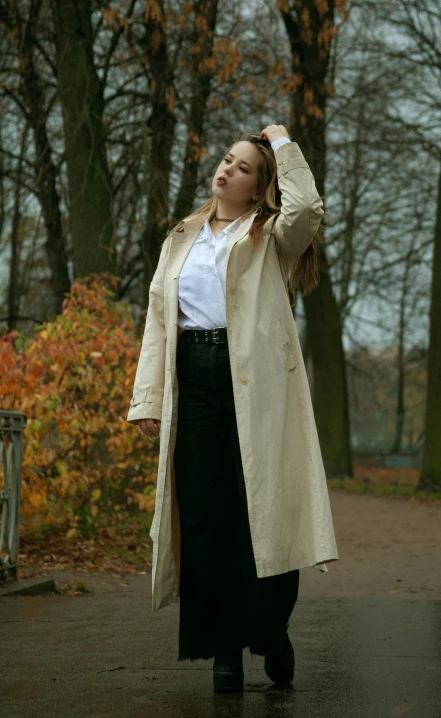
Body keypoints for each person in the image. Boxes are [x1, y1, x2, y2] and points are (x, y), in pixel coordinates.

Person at [126, 124, 339, 693]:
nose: (226, 170)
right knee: (202, 519)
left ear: (260, 186)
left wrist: (284, 143)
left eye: (243, 167)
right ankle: (223, 649)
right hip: (191, 383)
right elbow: (156, 319)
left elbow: (308, 209)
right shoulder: (181, 236)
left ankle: (269, 630)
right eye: (226, 160)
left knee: (260, 514)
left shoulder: (272, 236)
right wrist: (149, 398)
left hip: (256, 387)